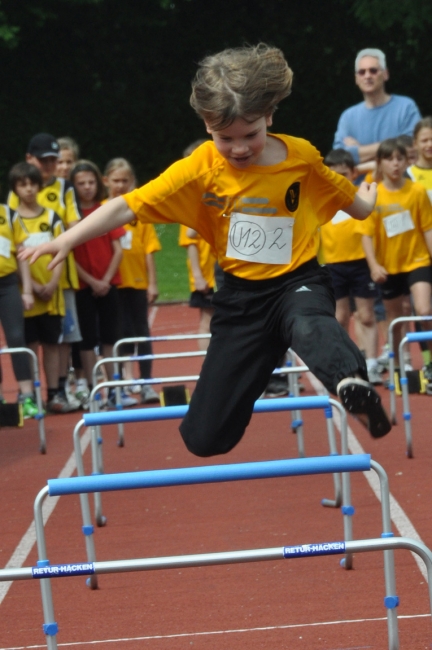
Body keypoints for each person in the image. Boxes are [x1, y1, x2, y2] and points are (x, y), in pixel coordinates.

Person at [21, 43, 392, 451]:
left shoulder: (299, 156)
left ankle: (351, 383)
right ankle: (260, 361)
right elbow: (127, 206)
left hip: (296, 282)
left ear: (269, 115)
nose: (238, 149)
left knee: (309, 322)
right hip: (240, 300)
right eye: (224, 137)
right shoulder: (199, 168)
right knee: (204, 438)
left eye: (250, 135)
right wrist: (66, 238)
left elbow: (340, 193)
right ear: (206, 125)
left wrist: (367, 204)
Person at [8, 133, 82, 410]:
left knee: (61, 339)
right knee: (29, 339)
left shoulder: (64, 190)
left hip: (58, 278)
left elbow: (74, 227)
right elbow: (13, 242)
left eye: (54, 160)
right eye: (44, 160)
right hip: (26, 283)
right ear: (30, 159)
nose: (49, 165)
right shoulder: (14, 199)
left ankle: (58, 391)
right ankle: (32, 394)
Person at [358, 138, 432, 375]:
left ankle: (430, 362)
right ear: (380, 163)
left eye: (400, 159)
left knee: (423, 309)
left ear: (406, 161)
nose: (395, 164)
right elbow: (366, 235)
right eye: (389, 159)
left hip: (418, 260)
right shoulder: (373, 194)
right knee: (394, 317)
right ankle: (401, 364)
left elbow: (428, 228)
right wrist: (373, 265)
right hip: (388, 266)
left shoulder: (417, 191)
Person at [320, 149, 381, 384]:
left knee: (365, 315)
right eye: (334, 175)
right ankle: (344, 365)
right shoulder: (323, 199)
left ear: (354, 173)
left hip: (360, 264)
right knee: (340, 317)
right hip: (334, 266)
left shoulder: (361, 193)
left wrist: (355, 171)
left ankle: (372, 363)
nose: (340, 179)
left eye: (344, 174)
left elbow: (376, 167)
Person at [103, 157, 161, 404]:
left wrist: (153, 282)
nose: (120, 185)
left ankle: (146, 382)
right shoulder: (102, 209)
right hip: (114, 282)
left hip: (137, 281)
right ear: (106, 181)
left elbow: (148, 249)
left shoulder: (138, 210)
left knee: (141, 331)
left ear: (132, 182)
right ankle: (124, 381)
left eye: (125, 180)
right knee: (119, 332)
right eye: (116, 180)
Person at [70, 160, 126, 407]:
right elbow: (69, 253)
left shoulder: (106, 210)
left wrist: (104, 280)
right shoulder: (71, 216)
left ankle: (114, 386)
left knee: (110, 336)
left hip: (108, 283)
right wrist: (91, 281)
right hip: (83, 286)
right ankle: (94, 389)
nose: (87, 187)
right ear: (73, 186)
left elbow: (118, 250)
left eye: (91, 182)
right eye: (81, 183)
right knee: (86, 338)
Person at [333, 49, 421, 175]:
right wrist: (392, 147)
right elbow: (340, 161)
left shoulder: (406, 107)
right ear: (356, 79)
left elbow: (411, 150)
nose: (367, 76)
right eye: (362, 72)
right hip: (360, 190)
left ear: (386, 74)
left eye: (373, 70)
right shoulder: (348, 117)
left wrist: (358, 151)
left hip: (401, 190)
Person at [0, 202, 39, 417]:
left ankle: (26, 396)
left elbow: (22, 254)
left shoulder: (7, 213)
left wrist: (27, 290)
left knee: (16, 337)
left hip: (7, 284)